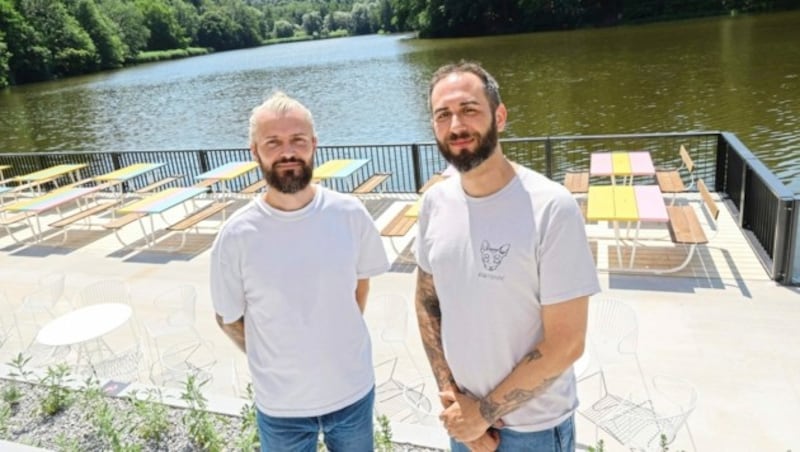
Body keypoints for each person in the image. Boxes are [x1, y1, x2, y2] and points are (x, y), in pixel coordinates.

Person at [414, 61, 601, 452]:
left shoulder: (551, 208)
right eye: (442, 115)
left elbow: (567, 342)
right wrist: (455, 403)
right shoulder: (434, 202)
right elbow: (428, 302)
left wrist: (483, 415)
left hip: (532, 432)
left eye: (469, 110)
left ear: (500, 115)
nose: (456, 126)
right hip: (463, 423)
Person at [210, 91, 390, 451]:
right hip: (281, 406)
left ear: (314, 145)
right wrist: (273, 353)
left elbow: (359, 285)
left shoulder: (349, 214)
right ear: (255, 152)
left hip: (352, 392)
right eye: (273, 142)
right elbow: (227, 317)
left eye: (297, 140)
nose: (287, 152)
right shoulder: (235, 236)